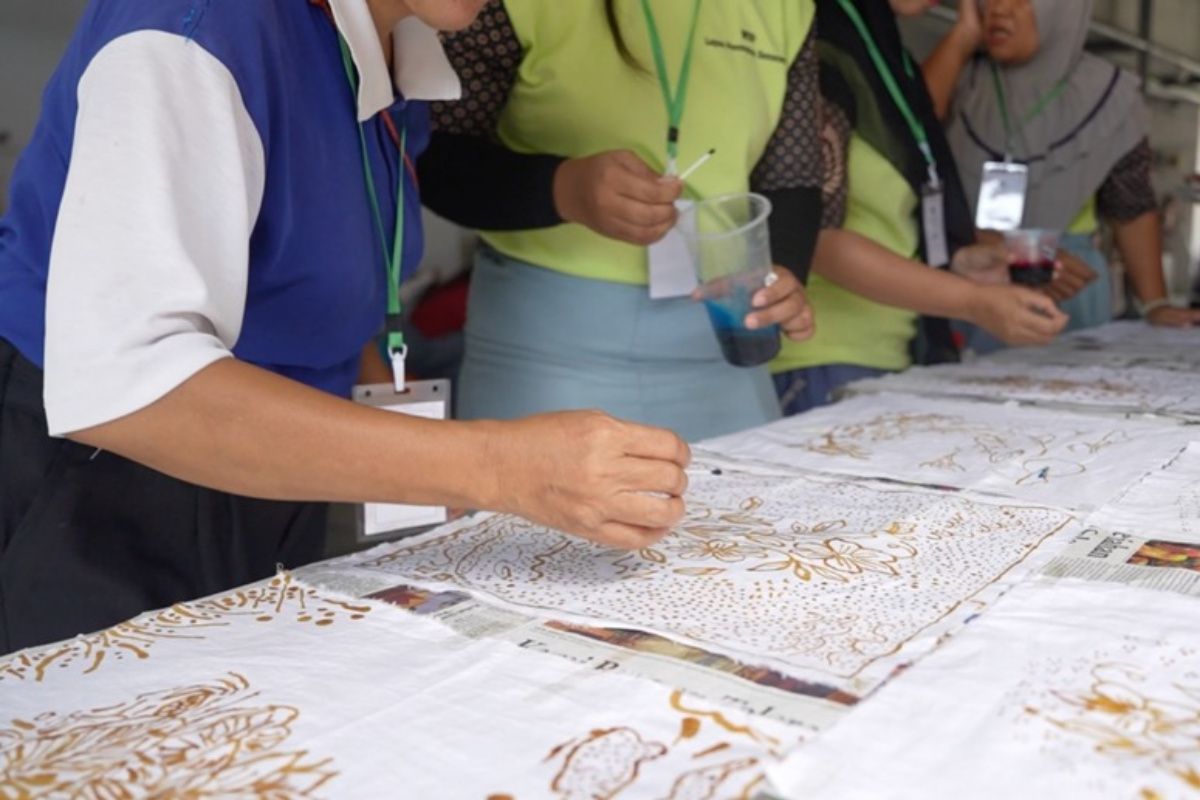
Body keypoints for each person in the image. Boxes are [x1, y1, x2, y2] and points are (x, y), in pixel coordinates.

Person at [0, 0, 691, 654]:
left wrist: (422, 470)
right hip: (99, 494)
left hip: (275, 470)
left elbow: (331, 286)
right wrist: (495, 467)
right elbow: (131, 388)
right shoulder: (197, 32)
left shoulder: (394, 47)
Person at [419, 0, 823, 442]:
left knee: (760, 509)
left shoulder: (787, 7)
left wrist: (782, 273)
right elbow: (435, 158)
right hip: (544, 350)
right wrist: (563, 189)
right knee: (529, 511)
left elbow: (791, 179)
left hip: (722, 343)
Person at [769, 0, 1068, 415]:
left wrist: (962, 263)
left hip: (887, 353)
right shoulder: (825, 41)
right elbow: (812, 240)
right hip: (822, 355)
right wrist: (972, 301)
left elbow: (887, 224)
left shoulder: (884, 51)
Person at [924, 0, 1200, 333]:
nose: (998, 10)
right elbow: (908, 130)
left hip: (1064, 283)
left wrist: (1156, 303)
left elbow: (1131, 206)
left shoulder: (1109, 96)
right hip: (966, 277)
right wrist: (962, 35)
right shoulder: (954, 76)